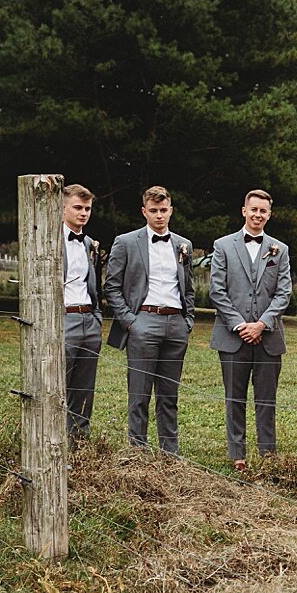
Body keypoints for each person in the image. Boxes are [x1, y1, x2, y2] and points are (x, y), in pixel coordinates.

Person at [104, 185, 195, 455]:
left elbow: (188, 286)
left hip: (176, 324)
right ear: (144, 211)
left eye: (163, 210)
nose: (159, 216)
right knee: (139, 393)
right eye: (153, 211)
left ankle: (170, 454)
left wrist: (187, 319)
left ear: (171, 211)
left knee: (169, 395)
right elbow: (112, 286)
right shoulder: (126, 242)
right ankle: (138, 452)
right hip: (144, 320)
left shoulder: (183, 245)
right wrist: (131, 321)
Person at [210, 189, 293, 471]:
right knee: (234, 397)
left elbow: (284, 293)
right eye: (253, 209)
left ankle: (267, 452)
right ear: (244, 210)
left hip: (268, 336)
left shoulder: (280, 250)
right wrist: (240, 324)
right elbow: (217, 291)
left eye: (263, 211)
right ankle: (238, 454)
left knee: (267, 398)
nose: (258, 215)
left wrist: (262, 324)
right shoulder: (223, 246)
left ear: (269, 215)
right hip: (233, 336)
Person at [60, 183, 103, 441]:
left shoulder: (89, 243)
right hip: (64, 318)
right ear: (63, 208)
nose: (83, 213)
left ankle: (79, 442)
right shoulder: (49, 240)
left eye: (87, 208)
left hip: (89, 318)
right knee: (58, 383)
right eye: (78, 207)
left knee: (85, 387)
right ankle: (53, 440)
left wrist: (96, 317)